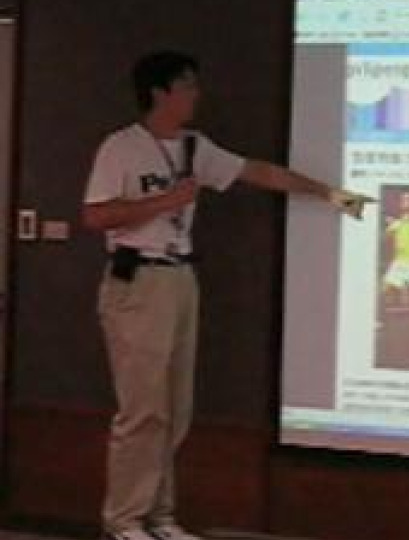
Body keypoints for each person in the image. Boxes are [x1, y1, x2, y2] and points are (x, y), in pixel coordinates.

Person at [81, 51, 374, 540]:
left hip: (180, 277)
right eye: (188, 86)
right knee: (143, 410)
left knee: (175, 409)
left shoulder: (194, 147)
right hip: (138, 281)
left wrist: (330, 194)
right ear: (160, 92)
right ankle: (124, 520)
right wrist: (167, 201)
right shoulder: (121, 148)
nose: (196, 95)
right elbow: (95, 216)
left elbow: (258, 172)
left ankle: (159, 516)